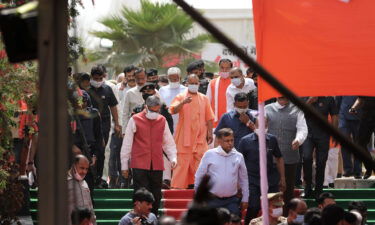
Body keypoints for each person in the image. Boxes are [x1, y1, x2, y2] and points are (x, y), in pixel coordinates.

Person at [121, 96, 177, 215]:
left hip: (156, 163)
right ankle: (139, 218)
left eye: (157, 111)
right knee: (141, 193)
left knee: (156, 194)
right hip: (139, 164)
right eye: (152, 110)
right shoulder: (135, 119)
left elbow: (168, 142)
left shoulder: (162, 120)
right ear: (146, 107)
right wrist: (124, 165)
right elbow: (127, 144)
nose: (155, 113)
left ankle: (153, 217)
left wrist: (173, 157)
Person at [170, 74, 215, 189]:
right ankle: (177, 188)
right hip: (184, 138)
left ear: (199, 84)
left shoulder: (204, 98)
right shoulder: (181, 96)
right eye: (191, 83)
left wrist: (209, 132)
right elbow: (173, 110)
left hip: (200, 138)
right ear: (186, 84)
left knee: (201, 162)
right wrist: (183, 103)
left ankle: (200, 187)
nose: (194, 85)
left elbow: (209, 117)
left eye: (196, 83)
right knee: (182, 163)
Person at [238, 118, 286, 224]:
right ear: (254, 125)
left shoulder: (272, 139)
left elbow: (279, 158)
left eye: (264, 125)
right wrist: (238, 182)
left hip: (270, 180)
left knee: (275, 209)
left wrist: (282, 178)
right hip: (252, 180)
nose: (262, 127)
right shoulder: (245, 141)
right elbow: (237, 162)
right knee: (254, 206)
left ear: (268, 125)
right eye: (259, 125)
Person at [265, 97, 307, 212]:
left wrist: (298, 140)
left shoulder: (297, 110)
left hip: (290, 156)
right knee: (272, 189)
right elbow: (262, 129)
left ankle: (286, 217)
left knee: (288, 190)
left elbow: (302, 129)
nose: (282, 98)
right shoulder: (266, 109)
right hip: (271, 157)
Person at [195, 128, 249, 215]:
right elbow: (199, 176)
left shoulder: (239, 156)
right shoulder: (209, 154)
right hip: (212, 199)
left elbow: (244, 179)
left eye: (232, 140)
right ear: (219, 141)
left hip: (232, 200)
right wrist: (199, 197)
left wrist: (245, 198)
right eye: (227, 141)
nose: (230, 143)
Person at [87, 65, 121, 187]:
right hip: (88, 126)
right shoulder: (86, 89)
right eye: (95, 78)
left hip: (104, 126)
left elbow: (113, 107)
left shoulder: (107, 89)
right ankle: (88, 177)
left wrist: (117, 124)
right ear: (91, 77)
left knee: (101, 151)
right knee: (89, 151)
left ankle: (99, 178)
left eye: (99, 78)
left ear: (103, 77)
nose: (97, 81)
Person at [301, 96, 338, 198]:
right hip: (307, 134)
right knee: (307, 158)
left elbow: (334, 115)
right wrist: (309, 101)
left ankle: (319, 189)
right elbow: (298, 113)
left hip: (323, 135)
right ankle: (307, 187)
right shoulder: (303, 96)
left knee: (321, 162)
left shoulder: (329, 98)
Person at [159, 67, 187, 187]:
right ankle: (166, 179)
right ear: (168, 77)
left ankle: (178, 178)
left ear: (180, 77)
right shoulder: (162, 90)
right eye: (171, 78)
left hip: (182, 125)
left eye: (176, 78)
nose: (174, 80)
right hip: (166, 125)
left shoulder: (185, 90)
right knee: (166, 150)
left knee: (180, 152)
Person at [109, 65, 136, 188]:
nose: (131, 78)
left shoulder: (140, 89)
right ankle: (121, 180)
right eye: (128, 76)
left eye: (132, 75)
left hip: (137, 129)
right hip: (120, 128)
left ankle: (132, 180)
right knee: (119, 154)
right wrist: (119, 126)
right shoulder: (117, 89)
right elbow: (116, 109)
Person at [336, 96, 362, 178]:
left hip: (359, 117)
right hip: (344, 116)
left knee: (358, 145)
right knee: (344, 143)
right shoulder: (343, 84)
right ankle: (347, 169)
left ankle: (357, 171)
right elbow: (338, 100)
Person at [350, 96, 375, 179]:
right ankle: (369, 167)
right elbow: (360, 99)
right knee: (360, 144)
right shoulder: (366, 85)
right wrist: (353, 107)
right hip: (366, 116)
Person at [67, 155, 96, 225]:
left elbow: (90, 207)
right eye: (82, 168)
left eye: (86, 169)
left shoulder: (85, 183)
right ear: (74, 165)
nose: (84, 171)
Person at [206, 58, 233, 127]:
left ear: (231, 69)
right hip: (215, 122)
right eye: (222, 68)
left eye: (227, 68)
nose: (224, 70)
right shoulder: (212, 83)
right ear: (219, 68)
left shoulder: (234, 82)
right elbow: (207, 102)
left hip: (232, 120)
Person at [122, 67, 147, 134]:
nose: (140, 81)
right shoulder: (129, 93)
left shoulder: (154, 92)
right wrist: (124, 132)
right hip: (133, 128)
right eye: (138, 79)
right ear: (135, 78)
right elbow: (125, 113)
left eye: (142, 78)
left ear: (146, 78)